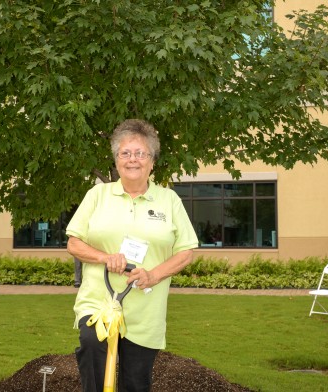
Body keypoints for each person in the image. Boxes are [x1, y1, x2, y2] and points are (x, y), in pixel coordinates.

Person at [66, 119, 199, 392]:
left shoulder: (169, 200)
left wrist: (153, 275)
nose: (132, 160)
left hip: (145, 311)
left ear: (152, 162)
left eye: (141, 153)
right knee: (92, 348)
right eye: (125, 153)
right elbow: (74, 243)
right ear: (116, 161)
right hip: (98, 302)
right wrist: (105, 258)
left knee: (135, 383)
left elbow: (186, 252)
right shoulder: (97, 195)